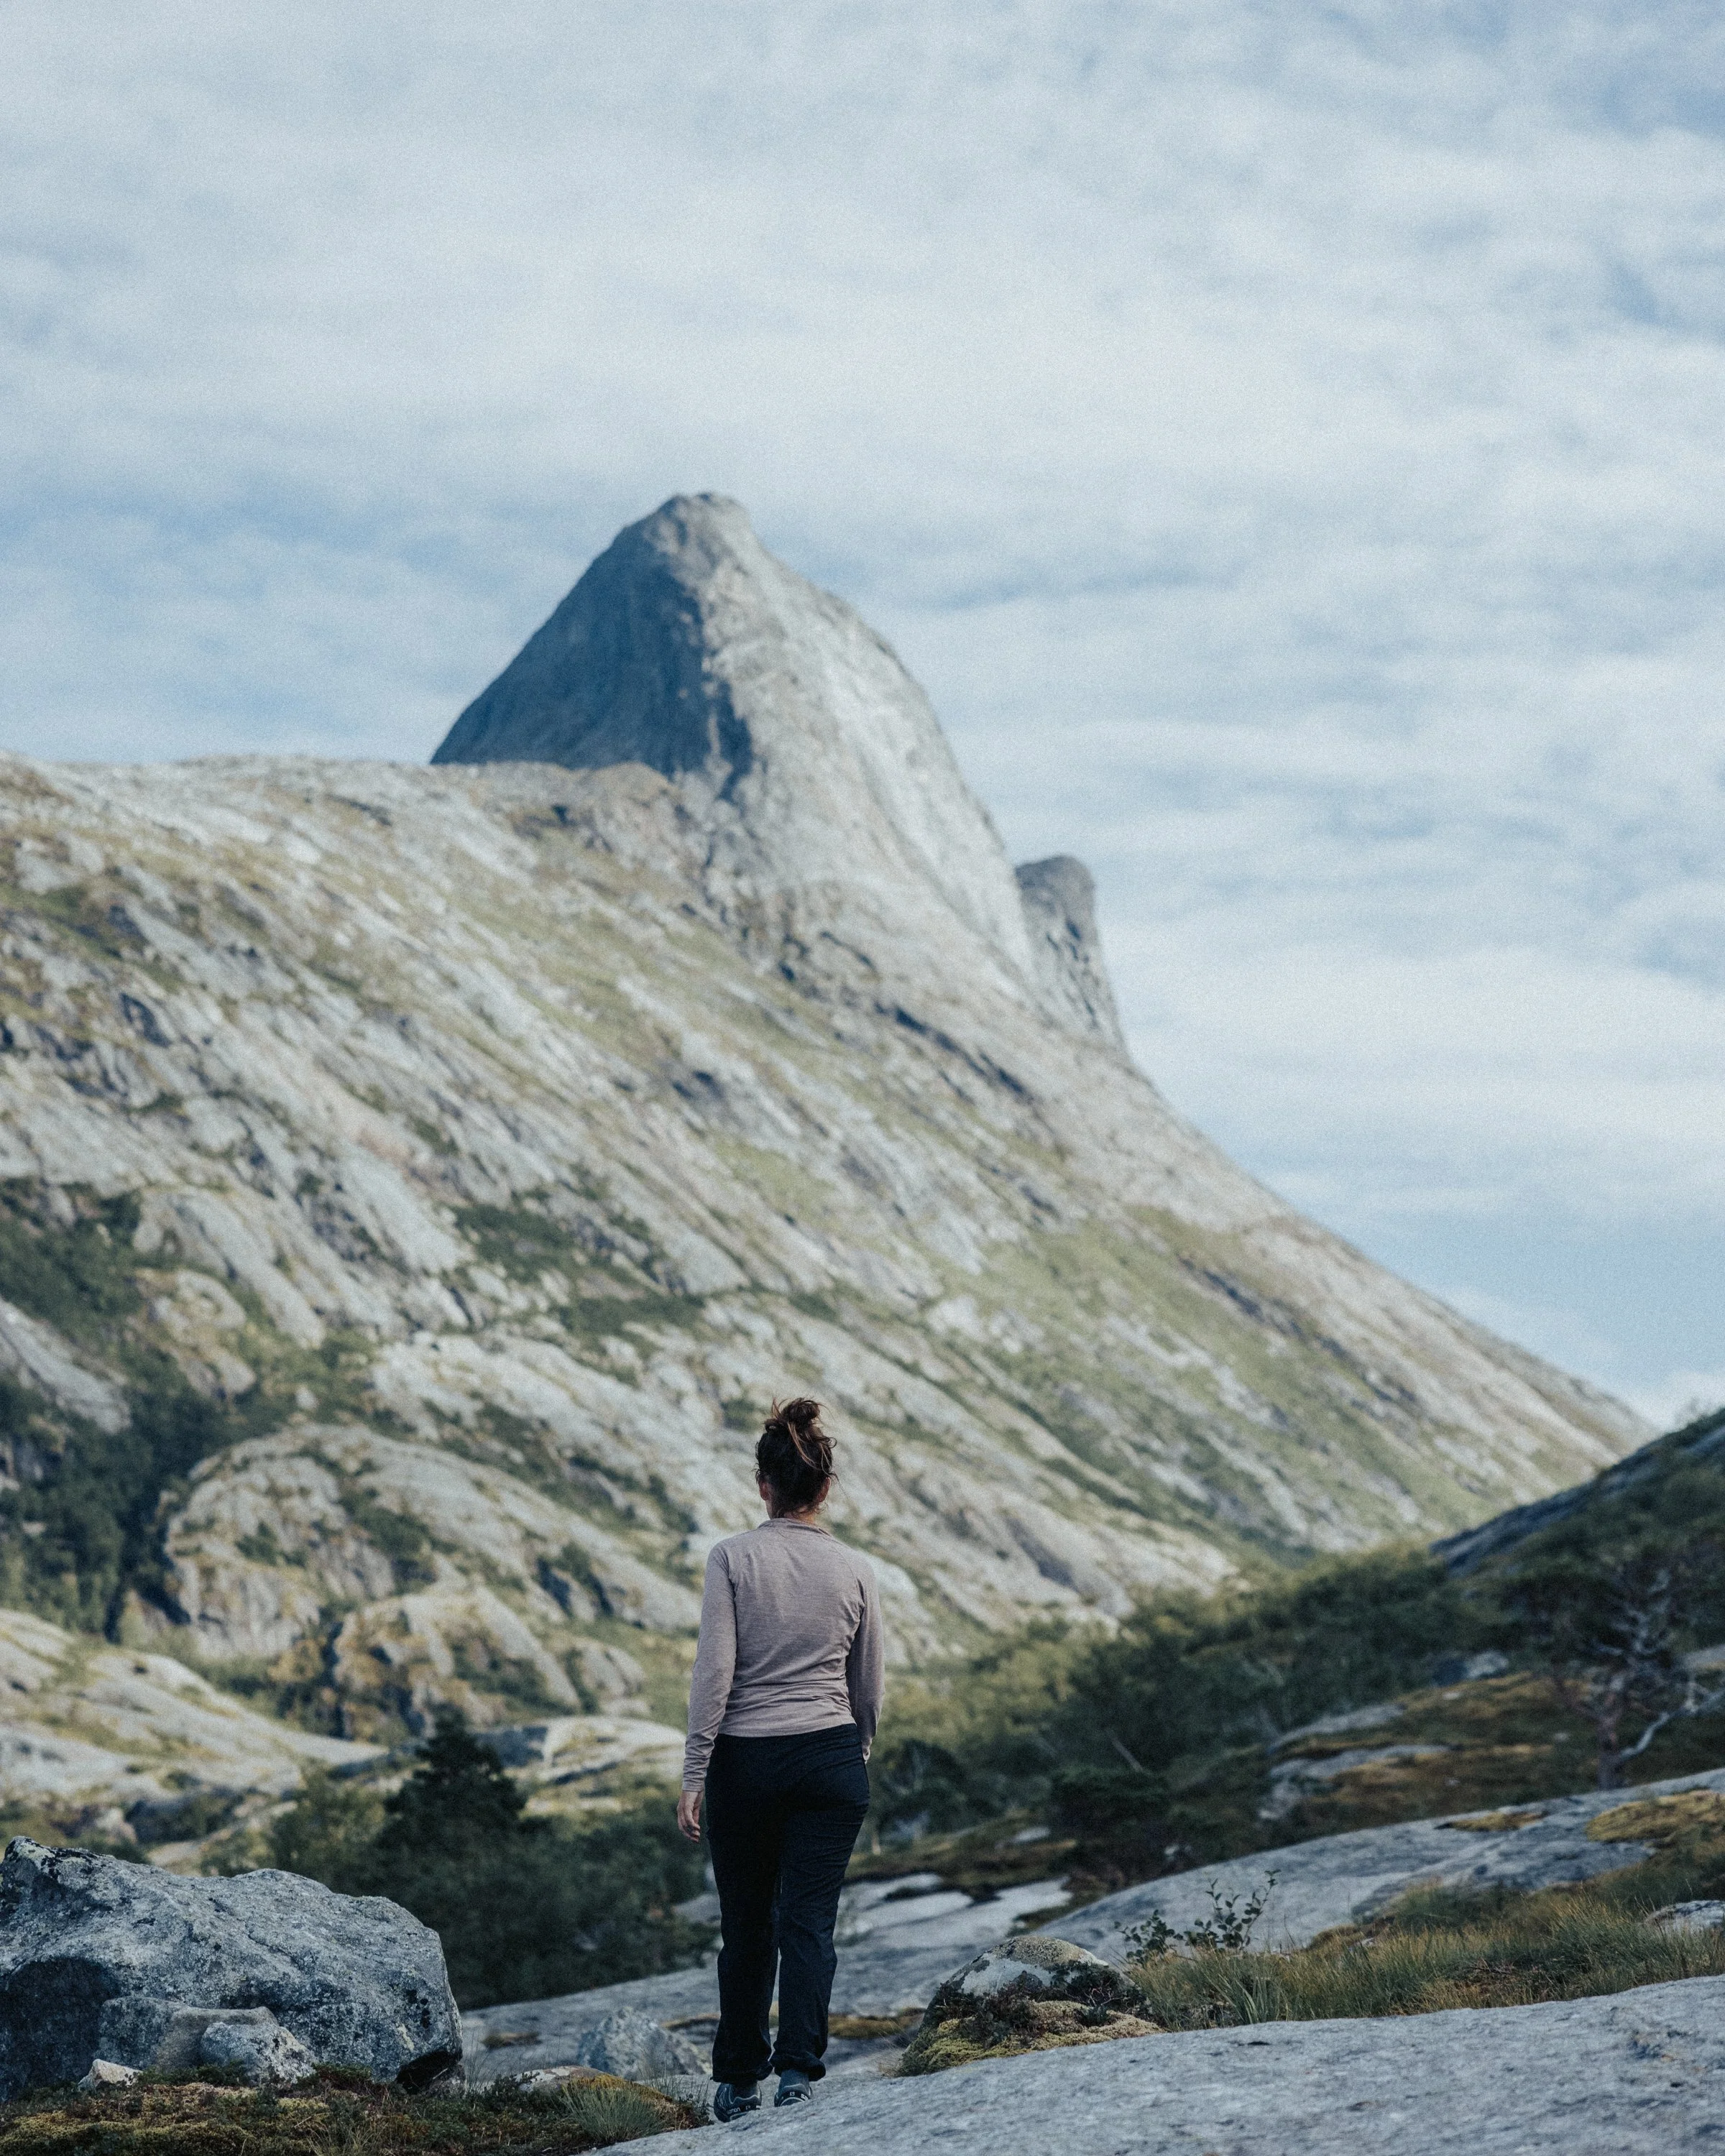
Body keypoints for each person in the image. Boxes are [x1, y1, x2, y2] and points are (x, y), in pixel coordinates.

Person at [677, 1396, 884, 2119]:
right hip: (829, 1759)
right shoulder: (855, 1569)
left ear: (763, 1484)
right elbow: (869, 1682)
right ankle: (798, 2073)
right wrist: (852, 1752)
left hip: (746, 1763)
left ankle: (738, 2082)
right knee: (809, 1924)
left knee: (748, 1928)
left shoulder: (732, 1558)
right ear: (824, 1489)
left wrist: (695, 1772)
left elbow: (715, 1675)